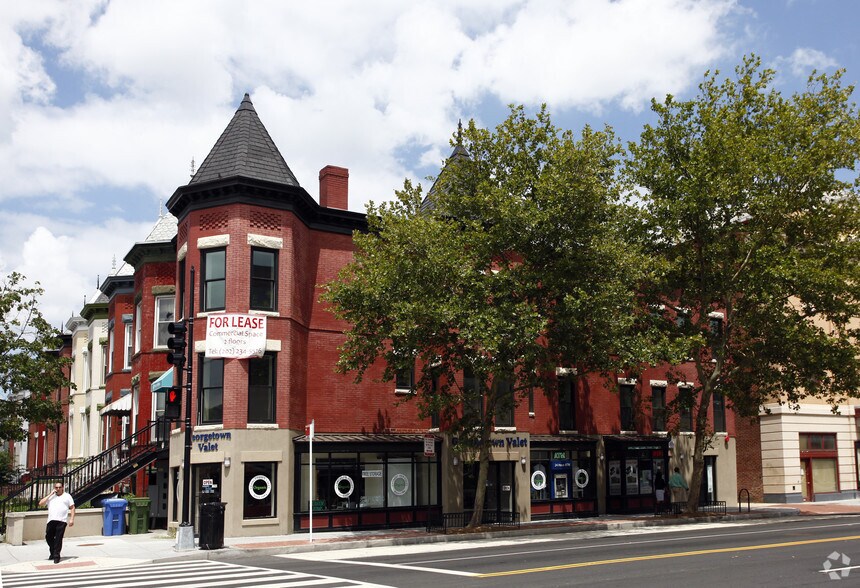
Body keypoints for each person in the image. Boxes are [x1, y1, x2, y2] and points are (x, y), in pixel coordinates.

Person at [39, 482, 75, 564]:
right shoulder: (51, 497)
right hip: (51, 520)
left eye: (59, 487)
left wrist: (72, 519)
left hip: (62, 521)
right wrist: (50, 494)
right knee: (48, 537)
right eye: (56, 487)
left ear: (62, 487)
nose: (58, 489)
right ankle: (53, 551)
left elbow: (72, 507)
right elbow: (41, 503)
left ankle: (56, 556)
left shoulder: (67, 496)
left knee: (58, 539)